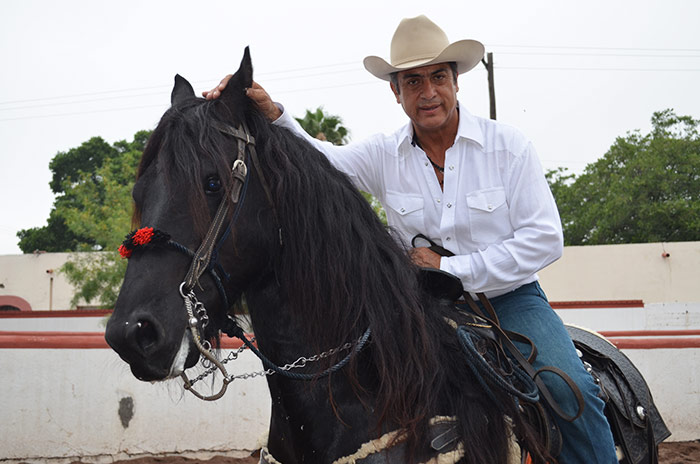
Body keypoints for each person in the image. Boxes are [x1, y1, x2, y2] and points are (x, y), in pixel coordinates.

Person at [205, 15, 617, 464]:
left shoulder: (508, 147)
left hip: (510, 302)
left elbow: (544, 240)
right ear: (395, 91)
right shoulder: (384, 154)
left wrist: (447, 269)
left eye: (438, 77)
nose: (428, 93)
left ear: (456, 82)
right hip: (417, 310)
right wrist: (274, 114)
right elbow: (323, 163)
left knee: (567, 388)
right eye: (413, 81)